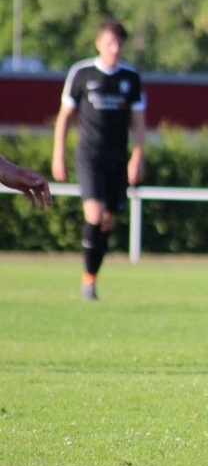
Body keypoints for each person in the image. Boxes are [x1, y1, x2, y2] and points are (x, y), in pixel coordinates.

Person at [52, 18, 146, 301]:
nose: (114, 48)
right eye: (109, 43)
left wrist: (137, 156)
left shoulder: (131, 77)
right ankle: (88, 282)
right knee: (94, 215)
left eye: (119, 43)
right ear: (98, 44)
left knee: (106, 221)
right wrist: (58, 153)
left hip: (117, 157)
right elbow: (64, 116)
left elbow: (139, 122)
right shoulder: (81, 73)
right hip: (89, 156)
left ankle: (91, 278)